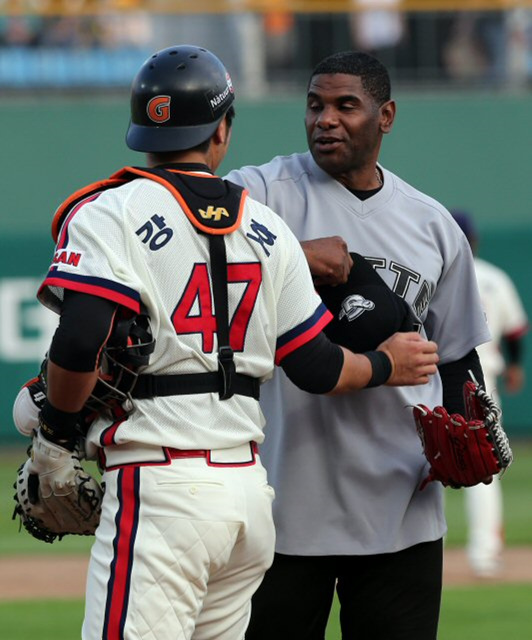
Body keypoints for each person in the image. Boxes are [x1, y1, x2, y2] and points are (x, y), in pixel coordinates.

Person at [29, 45, 439, 640]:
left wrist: (58, 435)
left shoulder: (110, 211)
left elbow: (83, 336)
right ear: (222, 130)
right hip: (247, 496)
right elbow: (319, 366)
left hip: (161, 486)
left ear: (141, 129)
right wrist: (383, 364)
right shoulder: (266, 226)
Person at [225, 50, 491, 640]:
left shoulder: (432, 224)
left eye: (346, 105)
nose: (326, 119)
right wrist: (291, 254)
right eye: (315, 104)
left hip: (401, 507)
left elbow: (456, 356)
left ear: (386, 115)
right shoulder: (259, 192)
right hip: (281, 504)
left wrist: (469, 418)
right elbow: (188, 229)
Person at [452, 209, 529, 577]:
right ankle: (484, 556)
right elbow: (515, 333)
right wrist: (515, 366)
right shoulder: (494, 278)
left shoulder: (435, 274)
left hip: (428, 378)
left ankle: (395, 549)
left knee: (411, 462)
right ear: (476, 241)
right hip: (482, 383)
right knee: (485, 468)